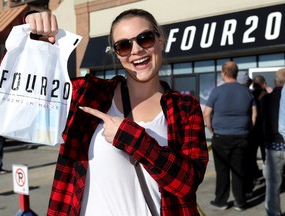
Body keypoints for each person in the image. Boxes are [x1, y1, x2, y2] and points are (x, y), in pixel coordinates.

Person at [25, 9, 209, 216]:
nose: (136, 50)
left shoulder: (185, 107)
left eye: (145, 38)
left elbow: (188, 182)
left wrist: (132, 138)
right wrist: (32, 35)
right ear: (116, 53)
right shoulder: (88, 94)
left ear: (160, 40)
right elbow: (26, 90)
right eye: (124, 45)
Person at [203, 61, 257, 211]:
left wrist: (212, 131)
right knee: (239, 170)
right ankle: (240, 202)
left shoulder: (216, 91)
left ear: (224, 73)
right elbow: (254, 114)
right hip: (241, 135)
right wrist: (248, 129)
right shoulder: (247, 92)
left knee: (222, 171)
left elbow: (206, 114)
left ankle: (221, 201)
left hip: (221, 136)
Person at [260, 68, 285, 216]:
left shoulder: (266, 99)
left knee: (272, 187)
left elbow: (262, 124)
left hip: (272, 146)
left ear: (276, 81)